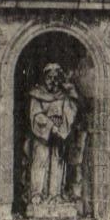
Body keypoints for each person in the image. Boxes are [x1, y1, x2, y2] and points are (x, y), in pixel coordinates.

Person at [25, 63, 80, 211]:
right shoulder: (37, 94)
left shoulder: (62, 95)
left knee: (58, 162)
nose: (52, 81)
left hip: (59, 133)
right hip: (42, 134)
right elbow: (35, 115)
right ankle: (37, 195)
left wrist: (62, 129)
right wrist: (51, 127)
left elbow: (71, 110)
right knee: (40, 161)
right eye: (49, 77)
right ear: (44, 78)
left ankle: (55, 194)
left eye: (56, 77)